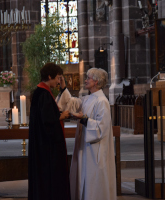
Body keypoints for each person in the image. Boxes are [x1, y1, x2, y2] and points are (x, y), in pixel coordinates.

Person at [56, 68, 116, 200]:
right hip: (85, 147)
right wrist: (63, 87)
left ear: (96, 82)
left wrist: (84, 119)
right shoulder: (89, 98)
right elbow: (72, 103)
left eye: (88, 78)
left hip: (94, 150)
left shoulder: (102, 101)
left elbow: (102, 128)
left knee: (93, 181)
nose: (86, 80)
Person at [28, 62, 71, 200]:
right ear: (49, 76)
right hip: (47, 147)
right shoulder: (44, 94)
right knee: (50, 178)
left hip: (41, 144)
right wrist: (61, 116)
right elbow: (48, 120)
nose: (59, 81)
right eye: (58, 77)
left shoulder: (40, 92)